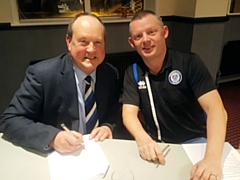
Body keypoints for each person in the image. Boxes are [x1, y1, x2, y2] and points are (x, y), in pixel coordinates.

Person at [122, 10, 227, 180]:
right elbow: (128, 114)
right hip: (157, 145)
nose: (146, 40)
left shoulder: (189, 63)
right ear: (131, 43)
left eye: (151, 32)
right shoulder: (132, 72)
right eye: (138, 36)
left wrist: (212, 159)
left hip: (195, 143)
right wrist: (143, 139)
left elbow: (216, 109)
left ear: (164, 32)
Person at [0, 13, 121, 154]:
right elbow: (10, 120)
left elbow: (114, 112)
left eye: (97, 42)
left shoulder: (110, 73)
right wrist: (53, 137)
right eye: (83, 41)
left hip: (98, 152)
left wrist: (108, 126)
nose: (91, 49)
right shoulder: (42, 75)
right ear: (69, 42)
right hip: (58, 157)